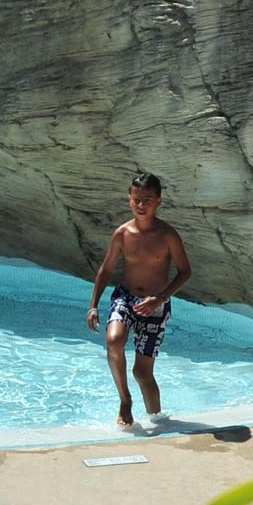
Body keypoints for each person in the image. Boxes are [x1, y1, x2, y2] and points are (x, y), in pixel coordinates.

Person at [86, 173, 194, 428]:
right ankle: (125, 400)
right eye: (136, 199)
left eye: (147, 200)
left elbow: (185, 271)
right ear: (129, 200)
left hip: (156, 305)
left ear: (159, 202)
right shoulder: (122, 234)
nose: (141, 205)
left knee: (142, 373)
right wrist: (93, 305)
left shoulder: (168, 235)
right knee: (113, 340)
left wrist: (160, 298)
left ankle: (158, 417)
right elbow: (105, 269)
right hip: (126, 297)